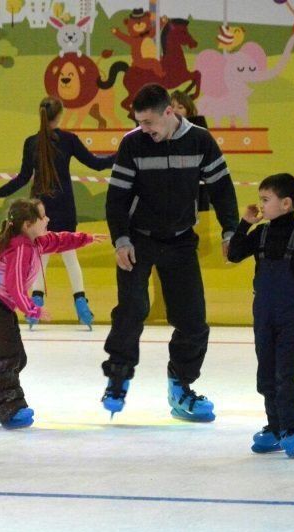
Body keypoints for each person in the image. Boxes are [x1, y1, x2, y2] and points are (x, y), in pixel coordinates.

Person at [101, 83, 239, 421]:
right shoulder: (132, 144)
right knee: (131, 310)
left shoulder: (200, 141)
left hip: (180, 240)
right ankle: (117, 378)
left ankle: (181, 386)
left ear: (169, 112)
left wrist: (230, 231)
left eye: (149, 122)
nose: (144, 129)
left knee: (193, 320)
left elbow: (222, 188)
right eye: (139, 122)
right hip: (138, 240)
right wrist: (121, 240)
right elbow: (116, 198)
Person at [0, 96, 114, 329]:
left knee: (40, 257)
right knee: (70, 255)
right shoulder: (69, 140)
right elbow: (97, 164)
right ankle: (81, 303)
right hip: (65, 206)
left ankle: (36, 302)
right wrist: (124, 152)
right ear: (60, 115)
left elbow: (22, 178)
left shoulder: (31, 142)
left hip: (39, 210)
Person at [228, 174, 294, 458]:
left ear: (286, 203)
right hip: (264, 311)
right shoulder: (260, 233)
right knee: (267, 373)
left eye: (265, 199)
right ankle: (275, 426)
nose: (261, 205)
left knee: (289, 372)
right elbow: (234, 254)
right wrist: (245, 223)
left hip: (291, 311)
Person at [0, 198, 104, 428]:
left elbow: (60, 240)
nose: (48, 219)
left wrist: (86, 238)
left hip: (2, 306)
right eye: (43, 216)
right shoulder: (20, 247)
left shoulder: (35, 242)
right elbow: (14, 285)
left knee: (16, 358)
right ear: (28, 224)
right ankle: (11, 408)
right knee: (7, 358)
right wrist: (32, 309)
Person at [170, 90, 210, 212]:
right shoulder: (160, 133)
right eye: (172, 106)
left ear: (189, 111)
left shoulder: (199, 133)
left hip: (196, 193)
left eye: (180, 107)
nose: (175, 110)